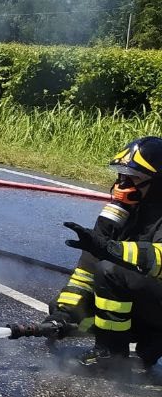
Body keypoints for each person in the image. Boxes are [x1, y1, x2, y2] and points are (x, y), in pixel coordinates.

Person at [57, 137, 162, 370]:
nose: (122, 185)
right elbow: (86, 268)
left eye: (133, 178)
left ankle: (113, 355)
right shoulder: (121, 212)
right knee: (80, 312)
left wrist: (110, 249)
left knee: (111, 270)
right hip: (146, 301)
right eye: (120, 176)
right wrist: (63, 313)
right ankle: (137, 340)